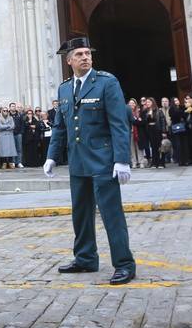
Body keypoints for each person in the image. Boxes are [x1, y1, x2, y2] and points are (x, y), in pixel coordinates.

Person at [44, 37, 136, 285]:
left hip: (104, 160)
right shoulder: (64, 88)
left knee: (111, 214)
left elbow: (119, 124)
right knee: (81, 213)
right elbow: (60, 127)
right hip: (78, 162)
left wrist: (122, 160)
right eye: (80, 54)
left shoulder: (106, 83)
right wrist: (52, 156)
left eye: (88, 53)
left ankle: (124, 263)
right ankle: (85, 258)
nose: (85, 57)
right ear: (69, 60)